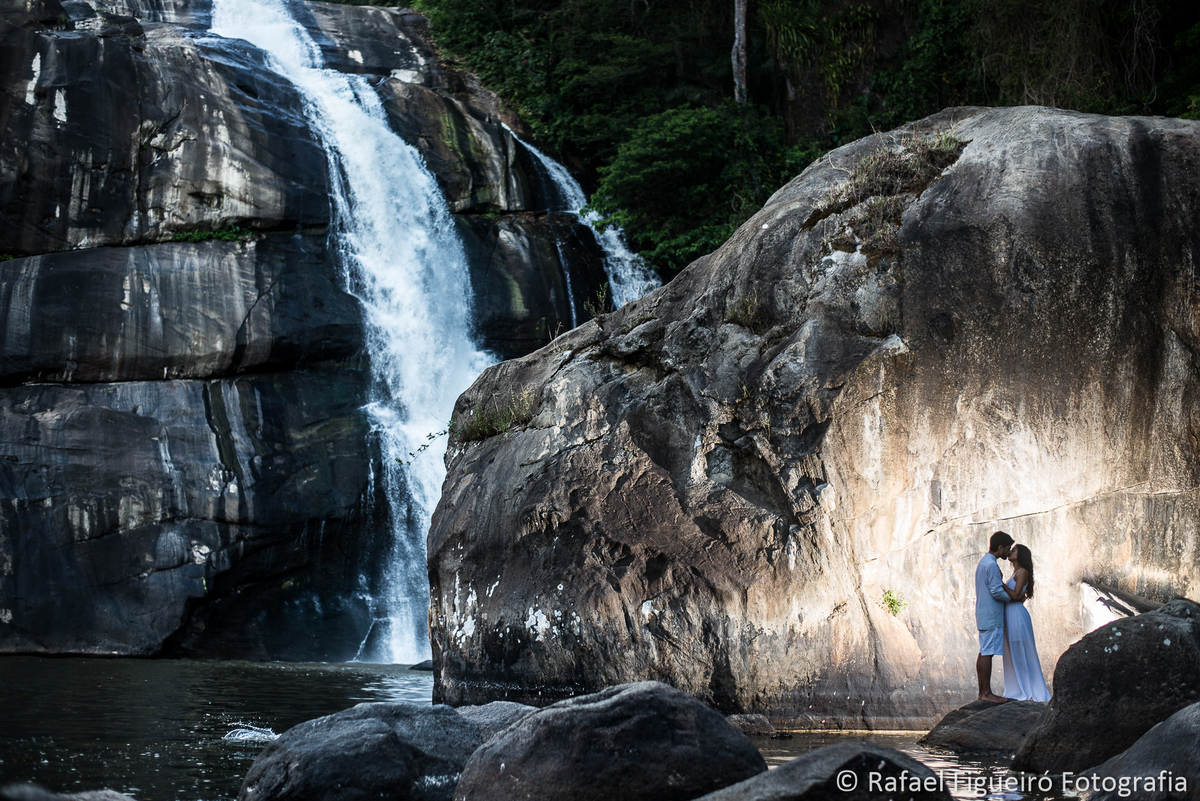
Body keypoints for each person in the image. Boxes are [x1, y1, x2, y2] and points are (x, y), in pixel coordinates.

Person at [1001, 544, 1051, 702]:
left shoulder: (1022, 572)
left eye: (1014, 550)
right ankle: (1019, 688)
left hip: (1016, 614)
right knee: (1014, 651)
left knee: (1023, 650)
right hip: (1011, 614)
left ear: (1020, 555)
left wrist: (1000, 584)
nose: (1010, 551)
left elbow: (1016, 596)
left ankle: (1031, 691)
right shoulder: (1016, 573)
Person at [975, 531, 1013, 703]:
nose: (1008, 552)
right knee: (987, 652)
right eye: (1007, 548)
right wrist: (1014, 598)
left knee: (984, 651)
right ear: (1000, 547)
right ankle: (986, 693)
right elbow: (997, 591)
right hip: (991, 615)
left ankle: (982, 692)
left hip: (984, 614)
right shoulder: (991, 565)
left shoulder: (984, 562)